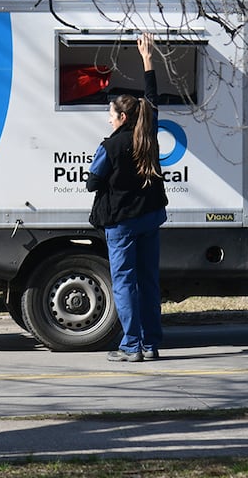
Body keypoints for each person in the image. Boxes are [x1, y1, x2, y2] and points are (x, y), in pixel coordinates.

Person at [87, 32, 169, 362]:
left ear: (121, 118)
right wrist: (148, 60)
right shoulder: (147, 133)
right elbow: (152, 98)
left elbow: (94, 183)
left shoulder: (109, 146)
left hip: (121, 222)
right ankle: (150, 344)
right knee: (149, 280)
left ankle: (131, 346)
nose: (108, 118)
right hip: (150, 216)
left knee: (124, 282)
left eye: (110, 114)